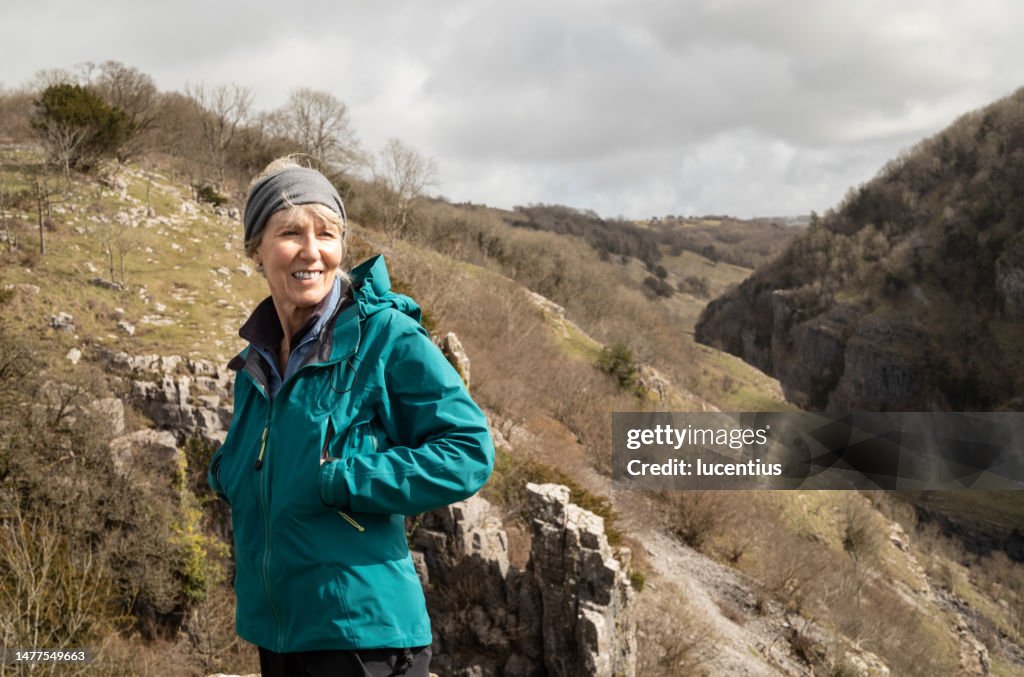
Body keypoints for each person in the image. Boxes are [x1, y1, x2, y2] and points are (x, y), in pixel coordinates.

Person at [208, 157, 494, 676]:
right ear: (256, 248)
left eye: (328, 233)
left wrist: (345, 478)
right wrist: (226, 470)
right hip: (278, 633)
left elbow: (469, 450)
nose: (312, 251)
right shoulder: (255, 363)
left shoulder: (386, 337)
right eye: (291, 232)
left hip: (364, 640)